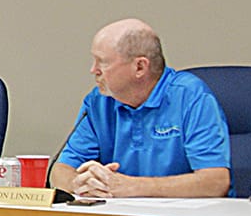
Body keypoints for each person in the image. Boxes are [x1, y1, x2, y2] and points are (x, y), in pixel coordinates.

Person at [49, 18, 231, 198]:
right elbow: (61, 170)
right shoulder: (99, 102)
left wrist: (132, 187)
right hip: (118, 213)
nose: (93, 70)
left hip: (183, 215)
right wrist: (79, 184)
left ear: (140, 67)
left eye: (102, 62)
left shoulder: (191, 96)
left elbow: (215, 182)